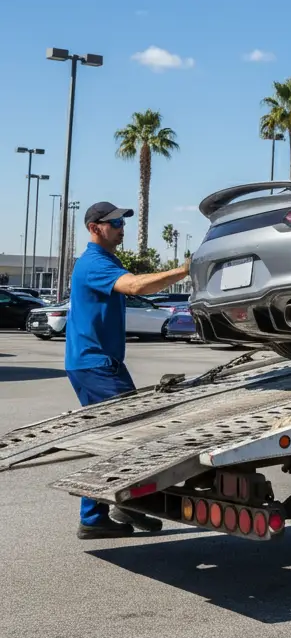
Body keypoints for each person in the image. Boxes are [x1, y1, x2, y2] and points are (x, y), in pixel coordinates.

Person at [65, 201, 191, 539]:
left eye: (122, 221)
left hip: (95, 363)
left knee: (111, 437)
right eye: (115, 222)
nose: (121, 227)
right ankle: (127, 504)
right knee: (136, 432)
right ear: (94, 228)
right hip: (96, 364)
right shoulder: (94, 263)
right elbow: (135, 287)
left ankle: (94, 516)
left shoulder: (106, 260)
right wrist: (182, 272)